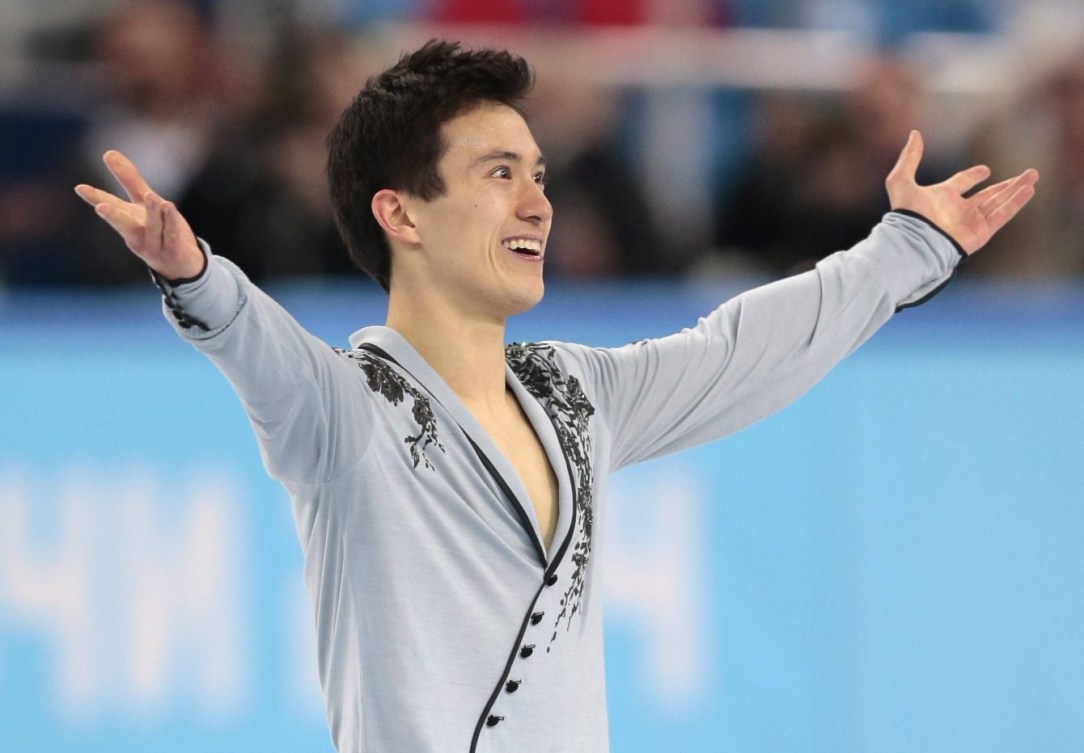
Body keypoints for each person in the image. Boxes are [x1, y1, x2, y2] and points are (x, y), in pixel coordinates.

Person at [74, 40, 1037, 753]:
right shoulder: (345, 412)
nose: (539, 201)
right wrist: (193, 271)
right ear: (400, 211)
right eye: (499, 174)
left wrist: (908, 247)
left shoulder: (576, 393)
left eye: (537, 175)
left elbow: (744, 349)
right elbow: (256, 340)